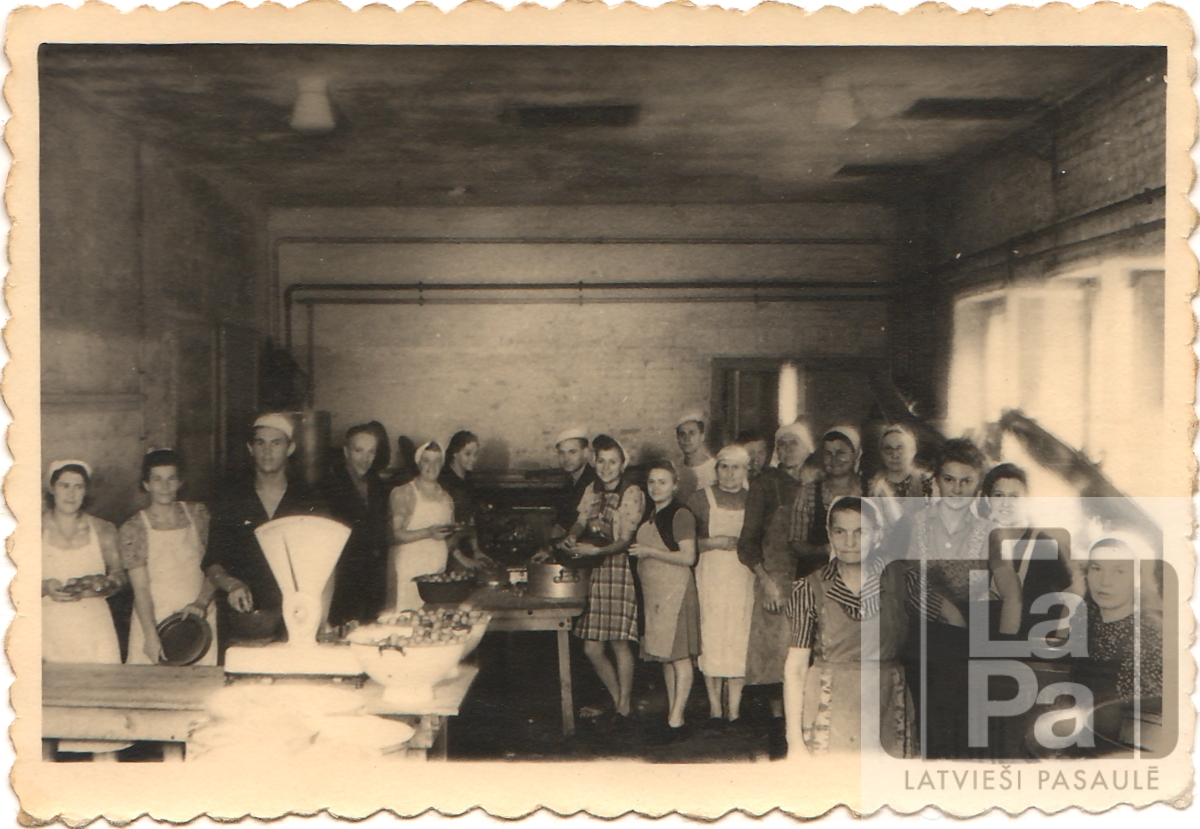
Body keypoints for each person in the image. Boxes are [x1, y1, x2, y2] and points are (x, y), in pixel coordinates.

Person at [902, 438, 1022, 759]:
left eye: (966, 481)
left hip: (972, 643)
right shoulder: (912, 525)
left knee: (969, 737)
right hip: (923, 640)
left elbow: (1012, 595)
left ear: (978, 485)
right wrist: (946, 611)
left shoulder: (990, 532)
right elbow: (902, 582)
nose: (957, 489)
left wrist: (1003, 651)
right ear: (936, 481)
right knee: (930, 734)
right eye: (949, 479)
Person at [783, 497, 914, 758]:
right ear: (829, 534)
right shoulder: (809, 588)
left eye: (860, 532)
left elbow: (946, 623)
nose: (849, 542)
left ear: (877, 535)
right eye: (840, 532)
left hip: (888, 706)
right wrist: (794, 741)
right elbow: (795, 667)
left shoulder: (902, 581)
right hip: (829, 708)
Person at [202, 413, 328, 647]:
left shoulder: (308, 499)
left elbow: (325, 562)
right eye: (260, 443)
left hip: (296, 615)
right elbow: (213, 561)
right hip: (243, 617)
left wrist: (320, 620)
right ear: (250, 448)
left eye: (276, 443)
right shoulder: (232, 498)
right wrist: (232, 585)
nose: (267, 451)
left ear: (290, 448)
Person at [561, 434, 645, 721]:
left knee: (619, 642)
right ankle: (619, 699)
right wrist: (572, 536)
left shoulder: (632, 492)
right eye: (601, 461)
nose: (606, 467)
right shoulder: (591, 489)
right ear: (594, 462)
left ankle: (623, 705)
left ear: (623, 464)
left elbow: (625, 540)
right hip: (594, 571)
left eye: (612, 462)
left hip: (619, 570)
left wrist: (596, 550)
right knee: (592, 646)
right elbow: (581, 520)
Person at [738, 421, 816, 721]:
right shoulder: (765, 485)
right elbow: (747, 544)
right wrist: (766, 582)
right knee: (777, 657)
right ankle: (778, 725)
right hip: (776, 580)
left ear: (808, 448)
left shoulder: (818, 482)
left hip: (812, 578)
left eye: (793, 442)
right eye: (781, 444)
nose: (786, 449)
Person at [120, 450, 217, 665]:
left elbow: (215, 565)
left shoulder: (198, 514)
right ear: (146, 484)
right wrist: (150, 635)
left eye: (171, 478)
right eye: (157, 479)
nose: (165, 486)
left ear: (180, 482)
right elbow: (141, 589)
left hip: (199, 615)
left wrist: (201, 603)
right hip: (154, 621)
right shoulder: (133, 528)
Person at [629, 460, 701, 734]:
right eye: (651, 482)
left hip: (676, 593)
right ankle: (674, 714)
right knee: (666, 656)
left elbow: (688, 557)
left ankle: (676, 719)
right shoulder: (651, 515)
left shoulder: (680, 515)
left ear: (675, 485)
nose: (656, 487)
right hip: (657, 595)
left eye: (663, 482)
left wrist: (649, 552)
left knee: (680, 658)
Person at [689, 444, 755, 725]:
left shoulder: (754, 499)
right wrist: (712, 542)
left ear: (746, 470)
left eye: (735, 467)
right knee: (712, 635)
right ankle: (715, 708)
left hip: (743, 576)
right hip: (711, 575)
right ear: (716, 469)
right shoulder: (699, 499)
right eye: (723, 467)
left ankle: (735, 709)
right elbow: (685, 542)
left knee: (739, 636)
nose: (729, 473)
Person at [42, 460, 124, 663]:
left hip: (95, 627)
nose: (71, 494)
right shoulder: (31, 530)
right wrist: (44, 586)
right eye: (64, 486)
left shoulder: (103, 529)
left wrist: (101, 586)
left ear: (86, 491)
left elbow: (120, 575)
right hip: (49, 628)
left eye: (78, 487)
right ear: (52, 488)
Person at [980, 462, 1074, 640]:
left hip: (1031, 645)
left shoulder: (1045, 545)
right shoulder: (982, 541)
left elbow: (1072, 595)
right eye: (999, 495)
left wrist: (1058, 642)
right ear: (987, 499)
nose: (1006, 503)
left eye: (1015, 497)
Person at [320, 423, 392, 628]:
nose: (365, 458)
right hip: (343, 581)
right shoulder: (329, 486)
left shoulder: (378, 485)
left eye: (371, 452)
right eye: (358, 450)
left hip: (373, 582)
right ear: (346, 451)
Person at [1078, 535, 1163, 705]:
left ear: (1138, 578)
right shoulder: (1087, 618)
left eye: (1119, 571)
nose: (1105, 582)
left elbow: (1141, 711)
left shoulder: (1148, 634)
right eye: (1097, 569)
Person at [789, 427, 865, 579]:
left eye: (841, 453)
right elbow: (796, 543)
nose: (834, 459)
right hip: (819, 577)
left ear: (856, 454)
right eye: (828, 453)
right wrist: (822, 550)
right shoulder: (808, 492)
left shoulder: (871, 489)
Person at [389, 441, 456, 611]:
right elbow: (395, 534)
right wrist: (428, 532)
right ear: (418, 462)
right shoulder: (404, 492)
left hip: (437, 570)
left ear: (442, 464)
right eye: (426, 460)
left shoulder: (447, 498)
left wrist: (464, 559)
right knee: (407, 617)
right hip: (409, 569)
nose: (431, 466)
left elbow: (449, 538)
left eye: (436, 461)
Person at [438, 430, 495, 571]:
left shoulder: (468, 479)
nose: (473, 459)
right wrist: (462, 559)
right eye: (468, 454)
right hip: (447, 551)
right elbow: (442, 527)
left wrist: (476, 551)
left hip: (463, 548)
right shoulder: (444, 481)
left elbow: (470, 518)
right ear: (454, 453)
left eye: (475, 454)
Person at [868, 424, 932, 527]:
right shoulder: (873, 487)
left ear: (913, 451)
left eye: (900, 449)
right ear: (881, 453)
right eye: (888, 449)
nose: (894, 455)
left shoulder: (927, 482)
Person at [551, 427, 599, 539]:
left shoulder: (594, 481)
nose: (566, 458)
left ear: (585, 452)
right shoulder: (569, 483)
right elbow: (562, 522)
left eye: (572, 452)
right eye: (562, 453)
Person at [674, 413, 717, 504]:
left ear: (702, 437)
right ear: (677, 438)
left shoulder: (715, 468)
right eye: (682, 434)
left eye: (692, 433)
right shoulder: (676, 468)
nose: (687, 439)